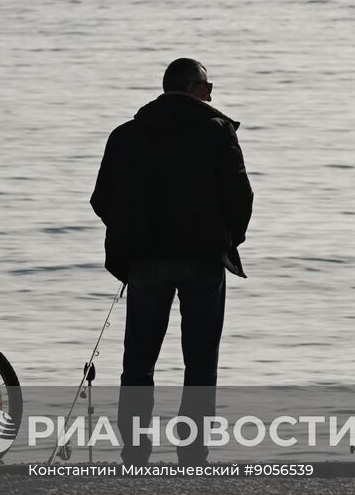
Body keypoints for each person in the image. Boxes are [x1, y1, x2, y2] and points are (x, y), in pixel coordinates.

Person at [91, 58, 253, 464]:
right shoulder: (217, 133)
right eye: (208, 85)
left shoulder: (126, 135)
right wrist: (228, 238)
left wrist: (132, 235)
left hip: (146, 260)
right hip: (202, 259)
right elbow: (241, 198)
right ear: (193, 88)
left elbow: (101, 199)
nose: (213, 93)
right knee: (200, 360)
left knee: (139, 361)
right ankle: (193, 452)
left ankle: (135, 450)